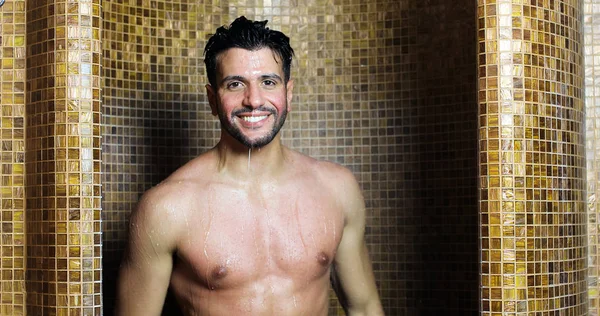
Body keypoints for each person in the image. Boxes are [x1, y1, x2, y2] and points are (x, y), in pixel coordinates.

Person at [116, 16, 384, 316]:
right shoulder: (166, 207)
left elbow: (364, 307)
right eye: (235, 84)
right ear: (212, 100)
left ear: (288, 93)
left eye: (268, 82)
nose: (254, 100)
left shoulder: (336, 189)